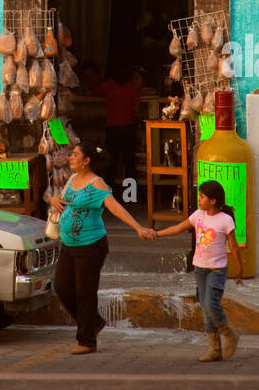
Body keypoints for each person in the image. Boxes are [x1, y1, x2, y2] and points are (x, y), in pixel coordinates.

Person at [51, 142, 156, 355]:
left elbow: (115, 207)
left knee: (85, 293)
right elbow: (63, 201)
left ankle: (87, 340)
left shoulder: (97, 184)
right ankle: (94, 321)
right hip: (68, 245)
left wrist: (138, 227)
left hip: (90, 246)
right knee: (62, 287)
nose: (70, 157)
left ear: (87, 160)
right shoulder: (71, 179)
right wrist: (53, 199)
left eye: (75, 155)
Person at [156, 178, 244, 361]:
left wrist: (240, 269)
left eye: (202, 197)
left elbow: (233, 246)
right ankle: (214, 349)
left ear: (213, 200)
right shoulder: (198, 215)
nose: (199, 199)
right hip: (200, 270)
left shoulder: (225, 220)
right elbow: (178, 228)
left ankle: (229, 334)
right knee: (205, 308)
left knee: (212, 305)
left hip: (217, 270)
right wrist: (156, 234)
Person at [93, 64, 143, 202]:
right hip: (128, 128)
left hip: (113, 129)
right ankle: (130, 197)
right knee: (128, 164)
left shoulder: (108, 85)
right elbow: (137, 109)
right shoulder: (132, 88)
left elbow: (94, 91)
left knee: (110, 163)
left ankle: (109, 196)